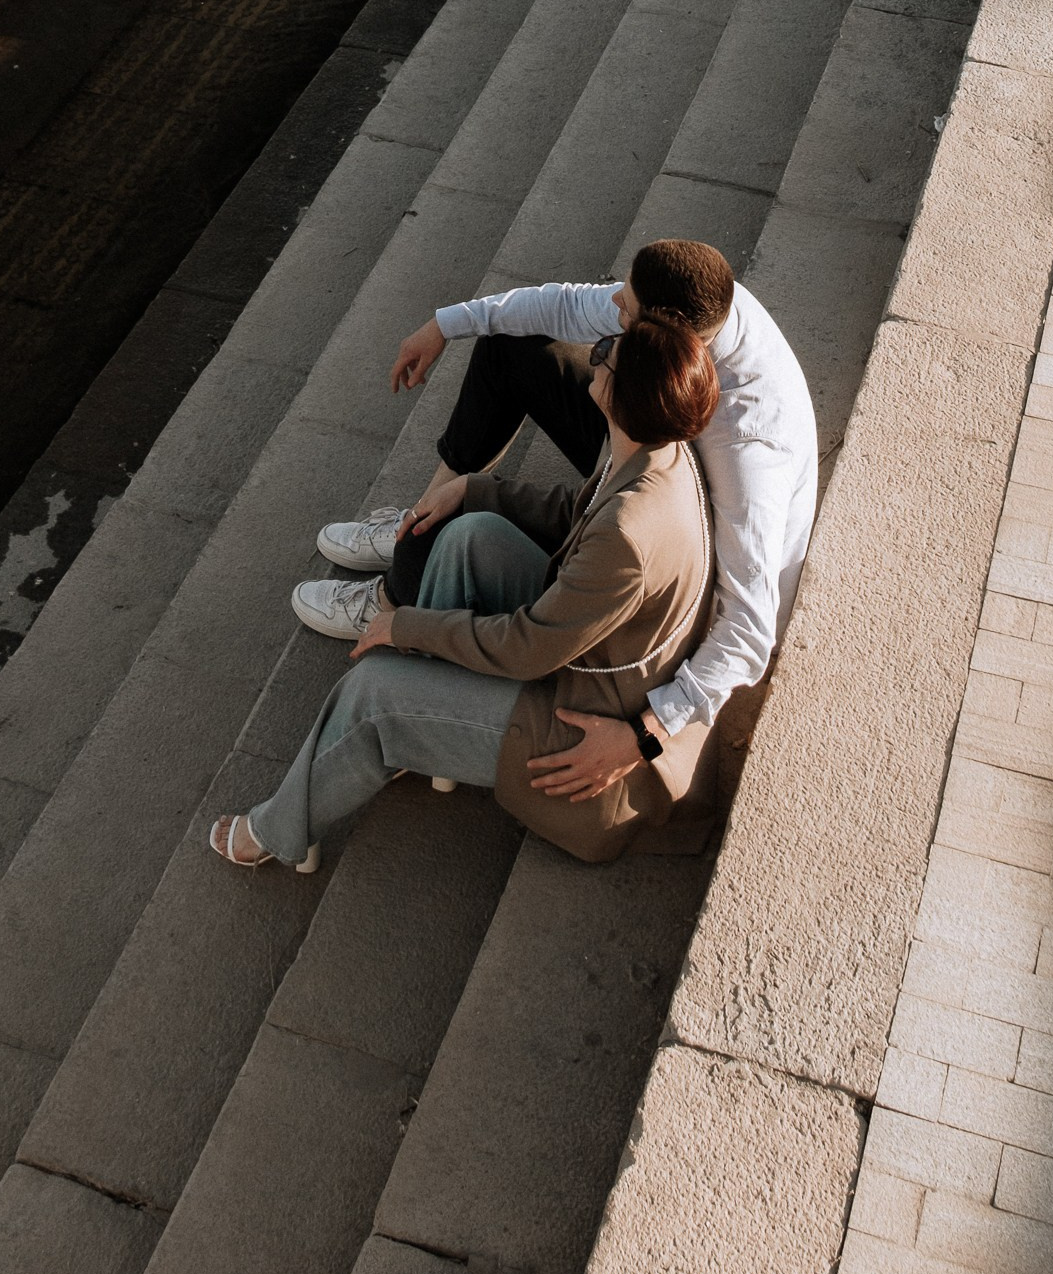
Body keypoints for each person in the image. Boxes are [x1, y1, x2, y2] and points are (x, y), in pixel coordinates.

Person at [295, 237, 816, 814]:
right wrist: (445, 324)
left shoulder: (749, 450)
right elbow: (566, 305)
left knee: (519, 579)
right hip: (657, 466)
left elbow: (749, 630)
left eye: (625, 312)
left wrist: (646, 734)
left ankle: (396, 600)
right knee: (509, 345)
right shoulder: (700, 304)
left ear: (660, 336)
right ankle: (419, 525)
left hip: (674, 561)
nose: (612, 304)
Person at [211, 313, 719, 872]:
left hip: (576, 731)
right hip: (586, 657)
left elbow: (528, 647)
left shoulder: (628, 535)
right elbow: (579, 510)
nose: (594, 354)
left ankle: (277, 830)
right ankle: (422, 732)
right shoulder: (657, 450)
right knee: (471, 537)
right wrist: (475, 488)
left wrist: (405, 626)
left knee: (372, 693)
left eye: (606, 355)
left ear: (625, 398)